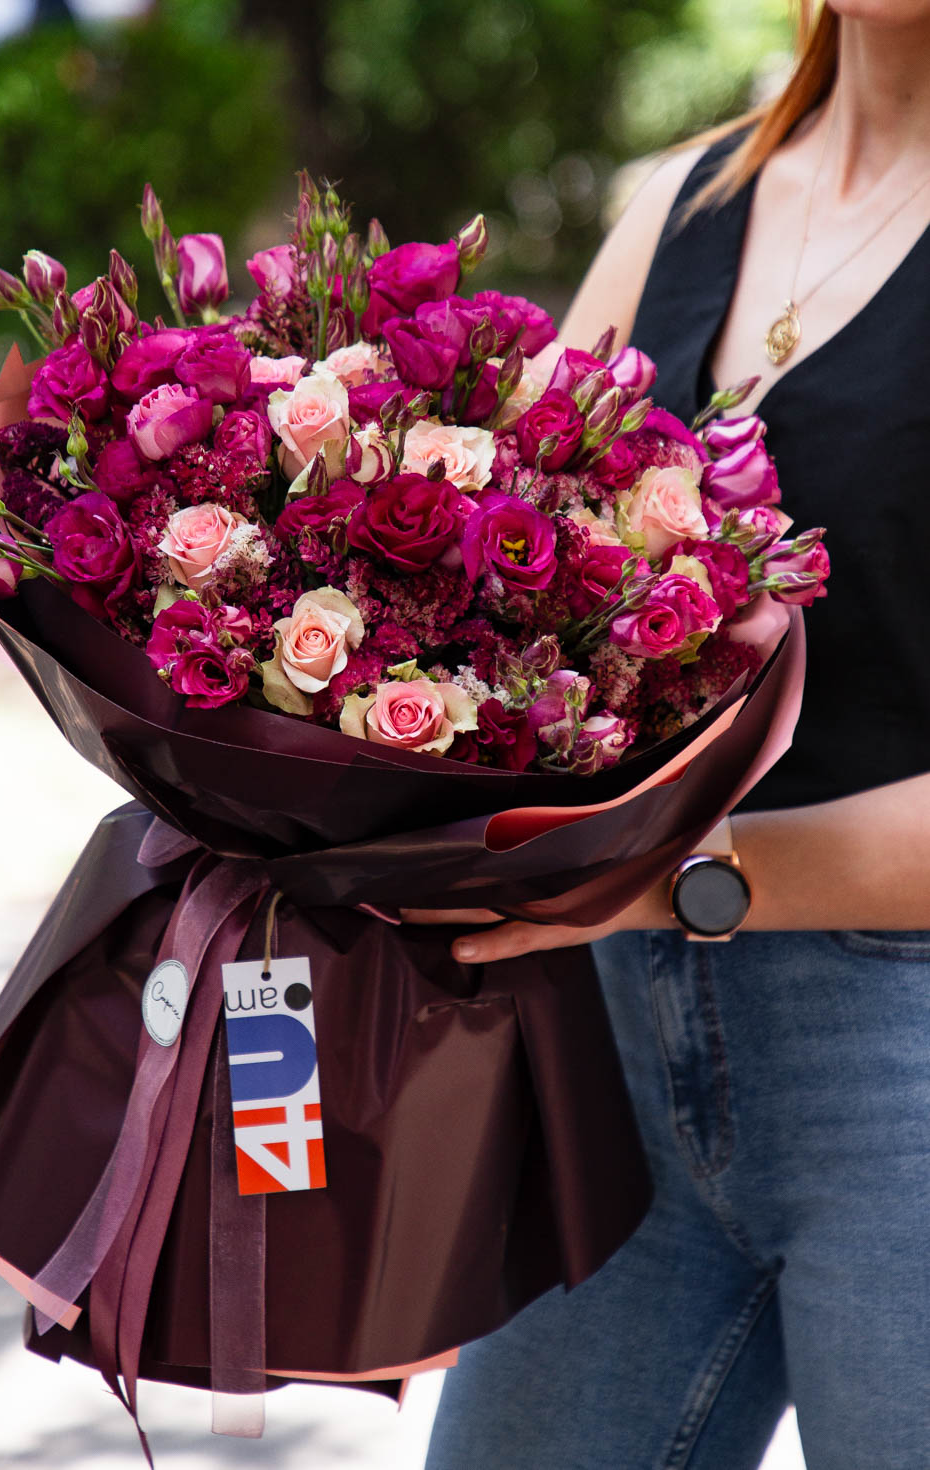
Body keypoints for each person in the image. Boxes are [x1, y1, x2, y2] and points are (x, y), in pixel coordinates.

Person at [412, 3, 930, 1466]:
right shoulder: (685, 201)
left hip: (900, 1063)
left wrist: (664, 876)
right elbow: (474, 581)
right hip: (619, 1056)